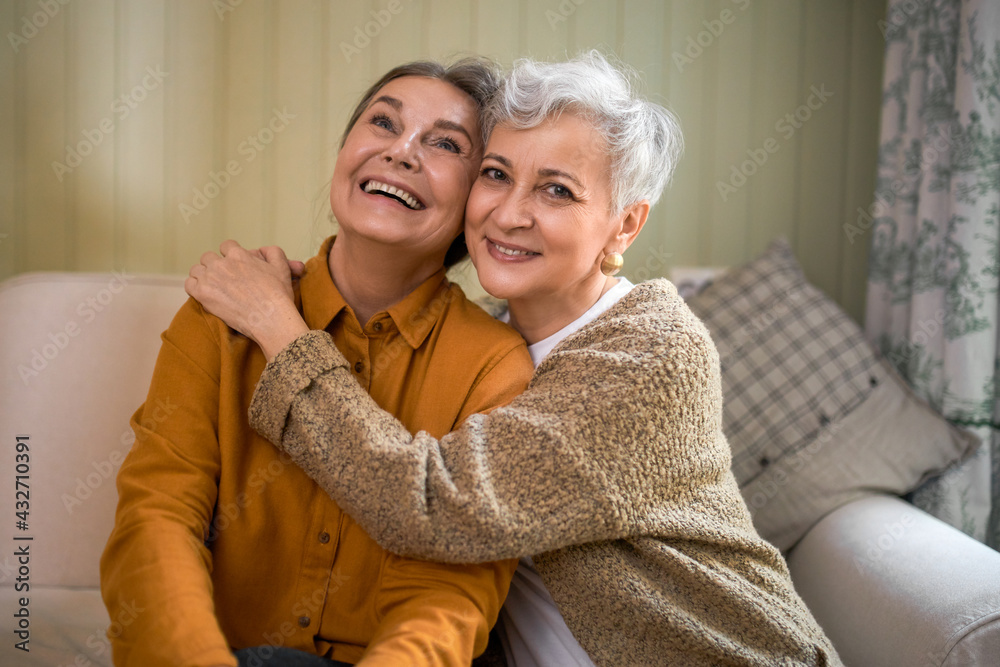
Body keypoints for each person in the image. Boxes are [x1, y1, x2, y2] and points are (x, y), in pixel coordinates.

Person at [187, 52, 842, 666]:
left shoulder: (650, 352)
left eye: (556, 191)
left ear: (623, 226)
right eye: (497, 175)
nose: (508, 214)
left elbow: (429, 504)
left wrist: (278, 325)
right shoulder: (491, 344)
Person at [100, 58, 536, 667]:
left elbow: (450, 590)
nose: (401, 152)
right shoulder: (218, 316)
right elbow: (157, 520)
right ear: (345, 152)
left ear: (479, 198)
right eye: (383, 123)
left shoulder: (494, 366)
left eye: (444, 143)